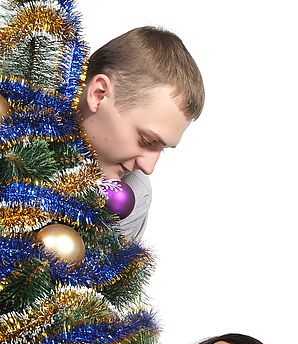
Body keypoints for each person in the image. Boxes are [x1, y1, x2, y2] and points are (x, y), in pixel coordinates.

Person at [77, 26, 205, 240]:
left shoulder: (135, 194)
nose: (148, 167)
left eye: (161, 150)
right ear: (99, 95)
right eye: (146, 140)